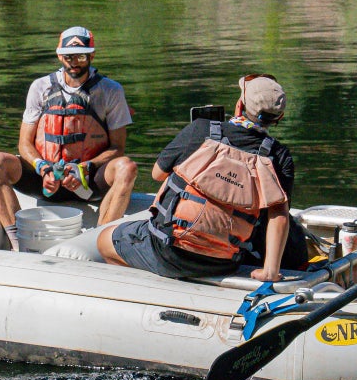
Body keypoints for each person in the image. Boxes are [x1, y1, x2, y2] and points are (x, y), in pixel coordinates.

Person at [98, 75, 299, 281]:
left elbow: (157, 174)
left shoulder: (201, 129)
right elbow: (279, 215)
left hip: (168, 251)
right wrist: (270, 272)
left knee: (104, 241)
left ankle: (153, 285)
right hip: (224, 263)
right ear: (278, 119)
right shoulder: (279, 156)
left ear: (239, 105)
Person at [0, 26, 138, 251]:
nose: (74, 62)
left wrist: (84, 168)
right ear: (59, 55)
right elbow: (24, 143)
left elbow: (117, 147)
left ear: (92, 55)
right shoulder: (40, 87)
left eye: (81, 56)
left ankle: (98, 245)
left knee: (127, 168)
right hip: (45, 177)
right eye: (68, 56)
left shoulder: (111, 90)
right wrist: (43, 168)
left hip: (89, 178)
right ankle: (17, 242)